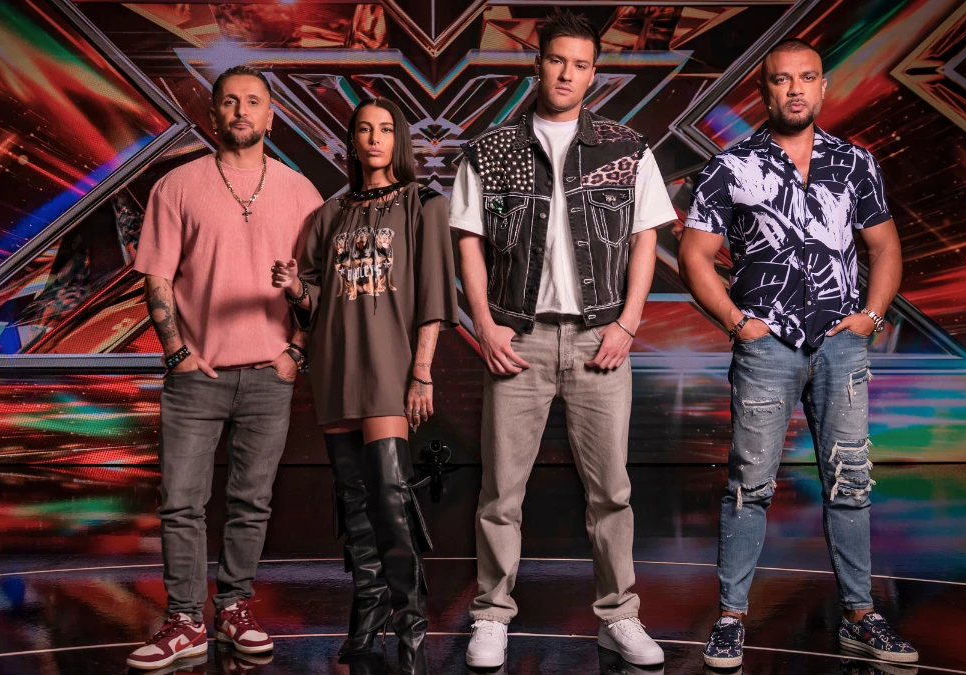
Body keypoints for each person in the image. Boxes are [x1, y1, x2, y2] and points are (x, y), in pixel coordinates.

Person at [677, 38, 919, 668]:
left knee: (850, 482)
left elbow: (884, 247)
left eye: (806, 78)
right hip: (767, 349)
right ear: (763, 90)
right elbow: (693, 255)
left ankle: (861, 616)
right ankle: (730, 618)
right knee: (750, 484)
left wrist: (870, 318)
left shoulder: (855, 163)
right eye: (782, 80)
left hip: (841, 346)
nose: (795, 90)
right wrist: (738, 323)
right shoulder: (732, 166)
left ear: (823, 86)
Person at [450, 10, 678, 669]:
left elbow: (645, 238)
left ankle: (619, 615)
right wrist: (483, 322)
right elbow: (468, 240)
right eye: (556, 60)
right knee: (501, 492)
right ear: (538, 64)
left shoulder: (626, 148)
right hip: (517, 340)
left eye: (580, 64)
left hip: (598, 341)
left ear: (593, 73)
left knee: (611, 491)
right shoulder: (491, 149)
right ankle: (492, 614)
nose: (567, 74)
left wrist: (628, 322)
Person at [126, 65, 323, 670]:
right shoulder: (176, 186)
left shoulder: (301, 192)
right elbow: (158, 277)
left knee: (251, 502)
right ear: (213, 116)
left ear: (271, 116)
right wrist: (177, 352)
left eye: (253, 102)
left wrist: (295, 353)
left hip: (269, 375)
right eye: (230, 102)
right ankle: (185, 620)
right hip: (196, 376)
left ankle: (234, 607)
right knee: (181, 503)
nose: (241, 111)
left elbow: (320, 288)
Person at [272, 97, 458, 675]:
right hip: (335, 365)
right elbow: (314, 301)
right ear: (351, 141)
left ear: (397, 139)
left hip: (389, 366)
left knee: (391, 499)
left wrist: (421, 371)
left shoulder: (424, 204)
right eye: (363, 129)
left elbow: (433, 294)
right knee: (353, 502)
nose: (374, 138)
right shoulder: (328, 214)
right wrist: (294, 288)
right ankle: (368, 608)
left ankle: (411, 623)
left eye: (385, 129)